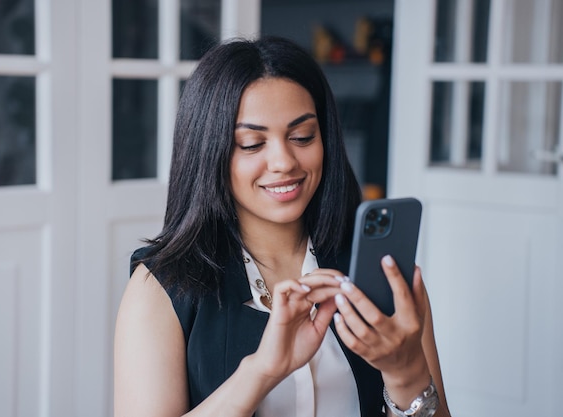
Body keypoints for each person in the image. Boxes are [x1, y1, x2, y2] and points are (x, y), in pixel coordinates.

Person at [114, 36, 451, 417]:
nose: (284, 162)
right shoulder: (161, 288)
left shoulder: (379, 277)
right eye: (252, 144)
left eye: (302, 136)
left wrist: (406, 373)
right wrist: (261, 371)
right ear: (209, 152)